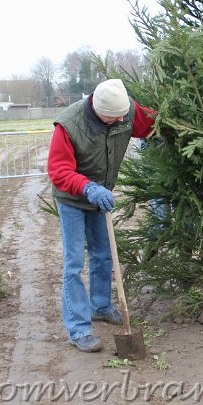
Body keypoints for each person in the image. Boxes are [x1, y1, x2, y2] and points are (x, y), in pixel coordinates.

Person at [47, 79, 155, 353]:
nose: (123, 119)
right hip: (73, 198)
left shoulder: (124, 109)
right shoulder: (69, 125)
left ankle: (101, 306)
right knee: (73, 264)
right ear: (98, 109)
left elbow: (152, 124)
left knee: (103, 254)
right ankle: (78, 328)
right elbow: (58, 171)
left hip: (101, 195)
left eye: (124, 114)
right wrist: (87, 187)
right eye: (115, 117)